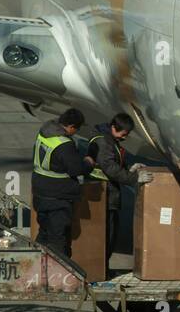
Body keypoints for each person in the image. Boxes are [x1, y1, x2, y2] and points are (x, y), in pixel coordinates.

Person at [32, 108, 97, 258]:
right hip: (58, 196)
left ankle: (36, 265)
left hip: (40, 192)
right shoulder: (64, 144)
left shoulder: (44, 132)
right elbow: (76, 169)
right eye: (77, 129)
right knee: (58, 238)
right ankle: (58, 275)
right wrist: (88, 162)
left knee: (44, 232)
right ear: (71, 126)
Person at [88, 111, 151, 261]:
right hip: (103, 195)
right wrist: (135, 178)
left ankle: (103, 268)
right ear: (114, 128)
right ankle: (101, 268)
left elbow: (114, 162)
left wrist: (129, 167)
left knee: (109, 233)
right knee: (106, 235)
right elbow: (110, 168)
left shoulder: (109, 139)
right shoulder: (104, 142)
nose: (125, 137)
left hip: (107, 193)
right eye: (124, 133)